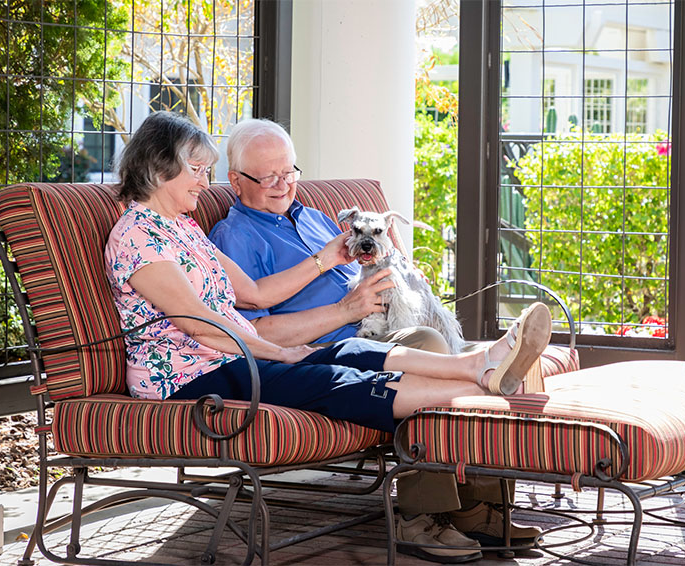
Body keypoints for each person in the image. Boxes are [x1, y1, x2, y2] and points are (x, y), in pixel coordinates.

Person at [207, 118, 548, 562]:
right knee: (427, 345)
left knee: (470, 355)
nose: (283, 184)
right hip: (330, 348)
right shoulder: (234, 238)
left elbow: (374, 255)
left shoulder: (314, 218)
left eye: (290, 172)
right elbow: (255, 333)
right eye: (269, 176)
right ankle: (423, 516)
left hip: (381, 328)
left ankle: (481, 509)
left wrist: (404, 271)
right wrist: (346, 310)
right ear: (235, 181)